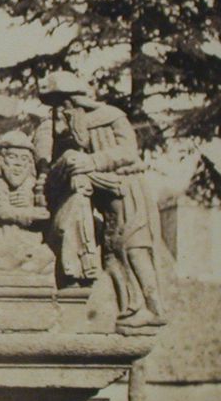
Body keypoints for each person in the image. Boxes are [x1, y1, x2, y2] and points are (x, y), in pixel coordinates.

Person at [39, 71, 164, 329]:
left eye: (62, 103)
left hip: (128, 192)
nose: (60, 111)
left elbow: (129, 152)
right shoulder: (72, 128)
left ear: (73, 101)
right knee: (112, 257)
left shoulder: (112, 117)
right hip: (107, 202)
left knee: (134, 250)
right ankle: (132, 308)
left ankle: (155, 308)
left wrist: (91, 162)